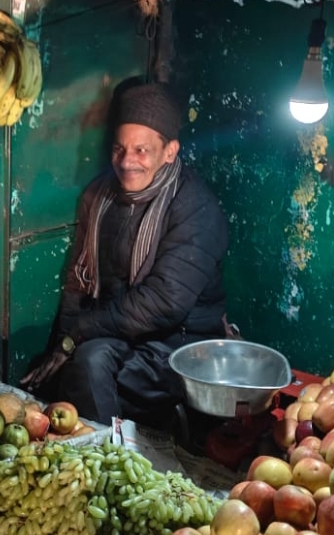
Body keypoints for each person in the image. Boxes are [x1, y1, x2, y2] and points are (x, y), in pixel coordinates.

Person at [20, 80, 231, 429]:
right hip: (120, 335)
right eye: (120, 149)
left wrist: (78, 336)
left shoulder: (196, 209)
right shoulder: (99, 197)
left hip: (180, 345)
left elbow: (164, 302)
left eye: (142, 150)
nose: (127, 162)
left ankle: (115, 459)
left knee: (87, 365)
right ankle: (109, 449)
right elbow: (78, 281)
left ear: (170, 151)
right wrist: (62, 342)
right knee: (62, 372)